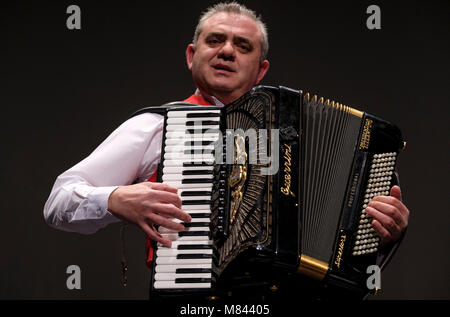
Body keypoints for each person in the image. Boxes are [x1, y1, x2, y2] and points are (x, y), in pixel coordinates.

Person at [44, 2, 409, 300]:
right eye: (215, 40)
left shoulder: (294, 132)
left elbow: (346, 257)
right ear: (192, 55)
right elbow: (59, 201)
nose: (227, 51)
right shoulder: (156, 127)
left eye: (242, 46)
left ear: (261, 69)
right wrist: (115, 198)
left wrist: (380, 231)